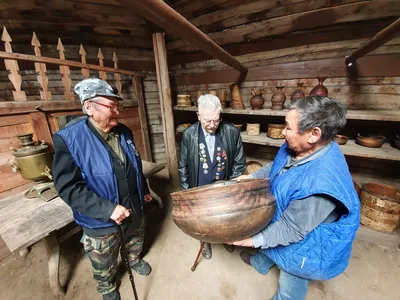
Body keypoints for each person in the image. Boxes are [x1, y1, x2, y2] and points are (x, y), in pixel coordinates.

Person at [230, 96, 360, 300]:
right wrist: (252, 177)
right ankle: (261, 263)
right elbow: (277, 166)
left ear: (313, 134)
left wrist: (252, 240)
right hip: (289, 216)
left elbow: (290, 228)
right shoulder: (298, 147)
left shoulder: (320, 185)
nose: (283, 132)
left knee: (291, 281)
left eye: (288, 127)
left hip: (308, 244)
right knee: (270, 230)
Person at [52, 78, 153, 300]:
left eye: (119, 105)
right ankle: (107, 287)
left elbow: (134, 166)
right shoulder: (69, 139)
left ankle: (133, 260)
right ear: (89, 107)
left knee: (135, 238)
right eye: (111, 106)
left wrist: (143, 189)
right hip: (101, 219)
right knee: (104, 258)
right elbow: (69, 188)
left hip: (133, 206)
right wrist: (108, 209)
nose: (118, 112)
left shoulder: (124, 132)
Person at [178, 94, 246, 259]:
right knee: (202, 219)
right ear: (198, 116)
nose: (212, 125)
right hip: (199, 186)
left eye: (216, 120)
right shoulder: (189, 135)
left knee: (226, 217)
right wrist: (187, 194)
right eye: (207, 121)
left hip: (223, 186)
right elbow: (183, 166)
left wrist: (231, 186)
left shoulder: (232, 132)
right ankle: (205, 242)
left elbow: (239, 163)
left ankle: (226, 239)